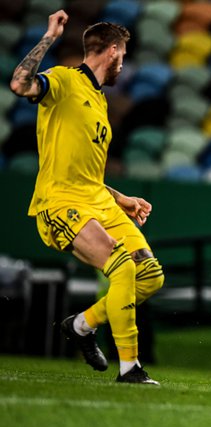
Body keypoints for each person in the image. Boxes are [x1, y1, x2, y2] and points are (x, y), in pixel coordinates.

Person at [10, 10, 164, 384]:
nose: (122, 66)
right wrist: (49, 37)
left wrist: (120, 197)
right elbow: (19, 84)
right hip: (60, 204)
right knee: (123, 267)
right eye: (123, 57)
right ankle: (130, 368)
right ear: (112, 51)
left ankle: (80, 325)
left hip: (97, 200)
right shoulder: (63, 80)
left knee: (149, 275)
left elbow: (86, 172)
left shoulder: (100, 100)